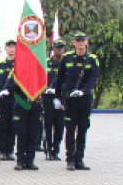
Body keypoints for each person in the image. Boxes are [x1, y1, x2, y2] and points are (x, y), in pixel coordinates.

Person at [55, 31, 98, 171]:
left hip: (84, 100)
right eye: (77, 40)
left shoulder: (92, 59)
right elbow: (60, 78)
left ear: (87, 42)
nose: (80, 43)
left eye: (82, 40)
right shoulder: (67, 58)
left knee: (83, 129)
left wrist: (83, 91)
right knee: (70, 130)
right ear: (74, 43)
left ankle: (79, 159)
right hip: (70, 100)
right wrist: (57, 97)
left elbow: (93, 79)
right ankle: (70, 160)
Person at [42, 39, 65, 160]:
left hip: (60, 98)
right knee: (48, 124)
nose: (60, 50)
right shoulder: (46, 63)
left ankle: (56, 150)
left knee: (60, 125)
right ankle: (48, 150)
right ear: (53, 49)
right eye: (58, 48)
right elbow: (40, 78)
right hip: (47, 97)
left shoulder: (65, 63)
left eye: (61, 48)